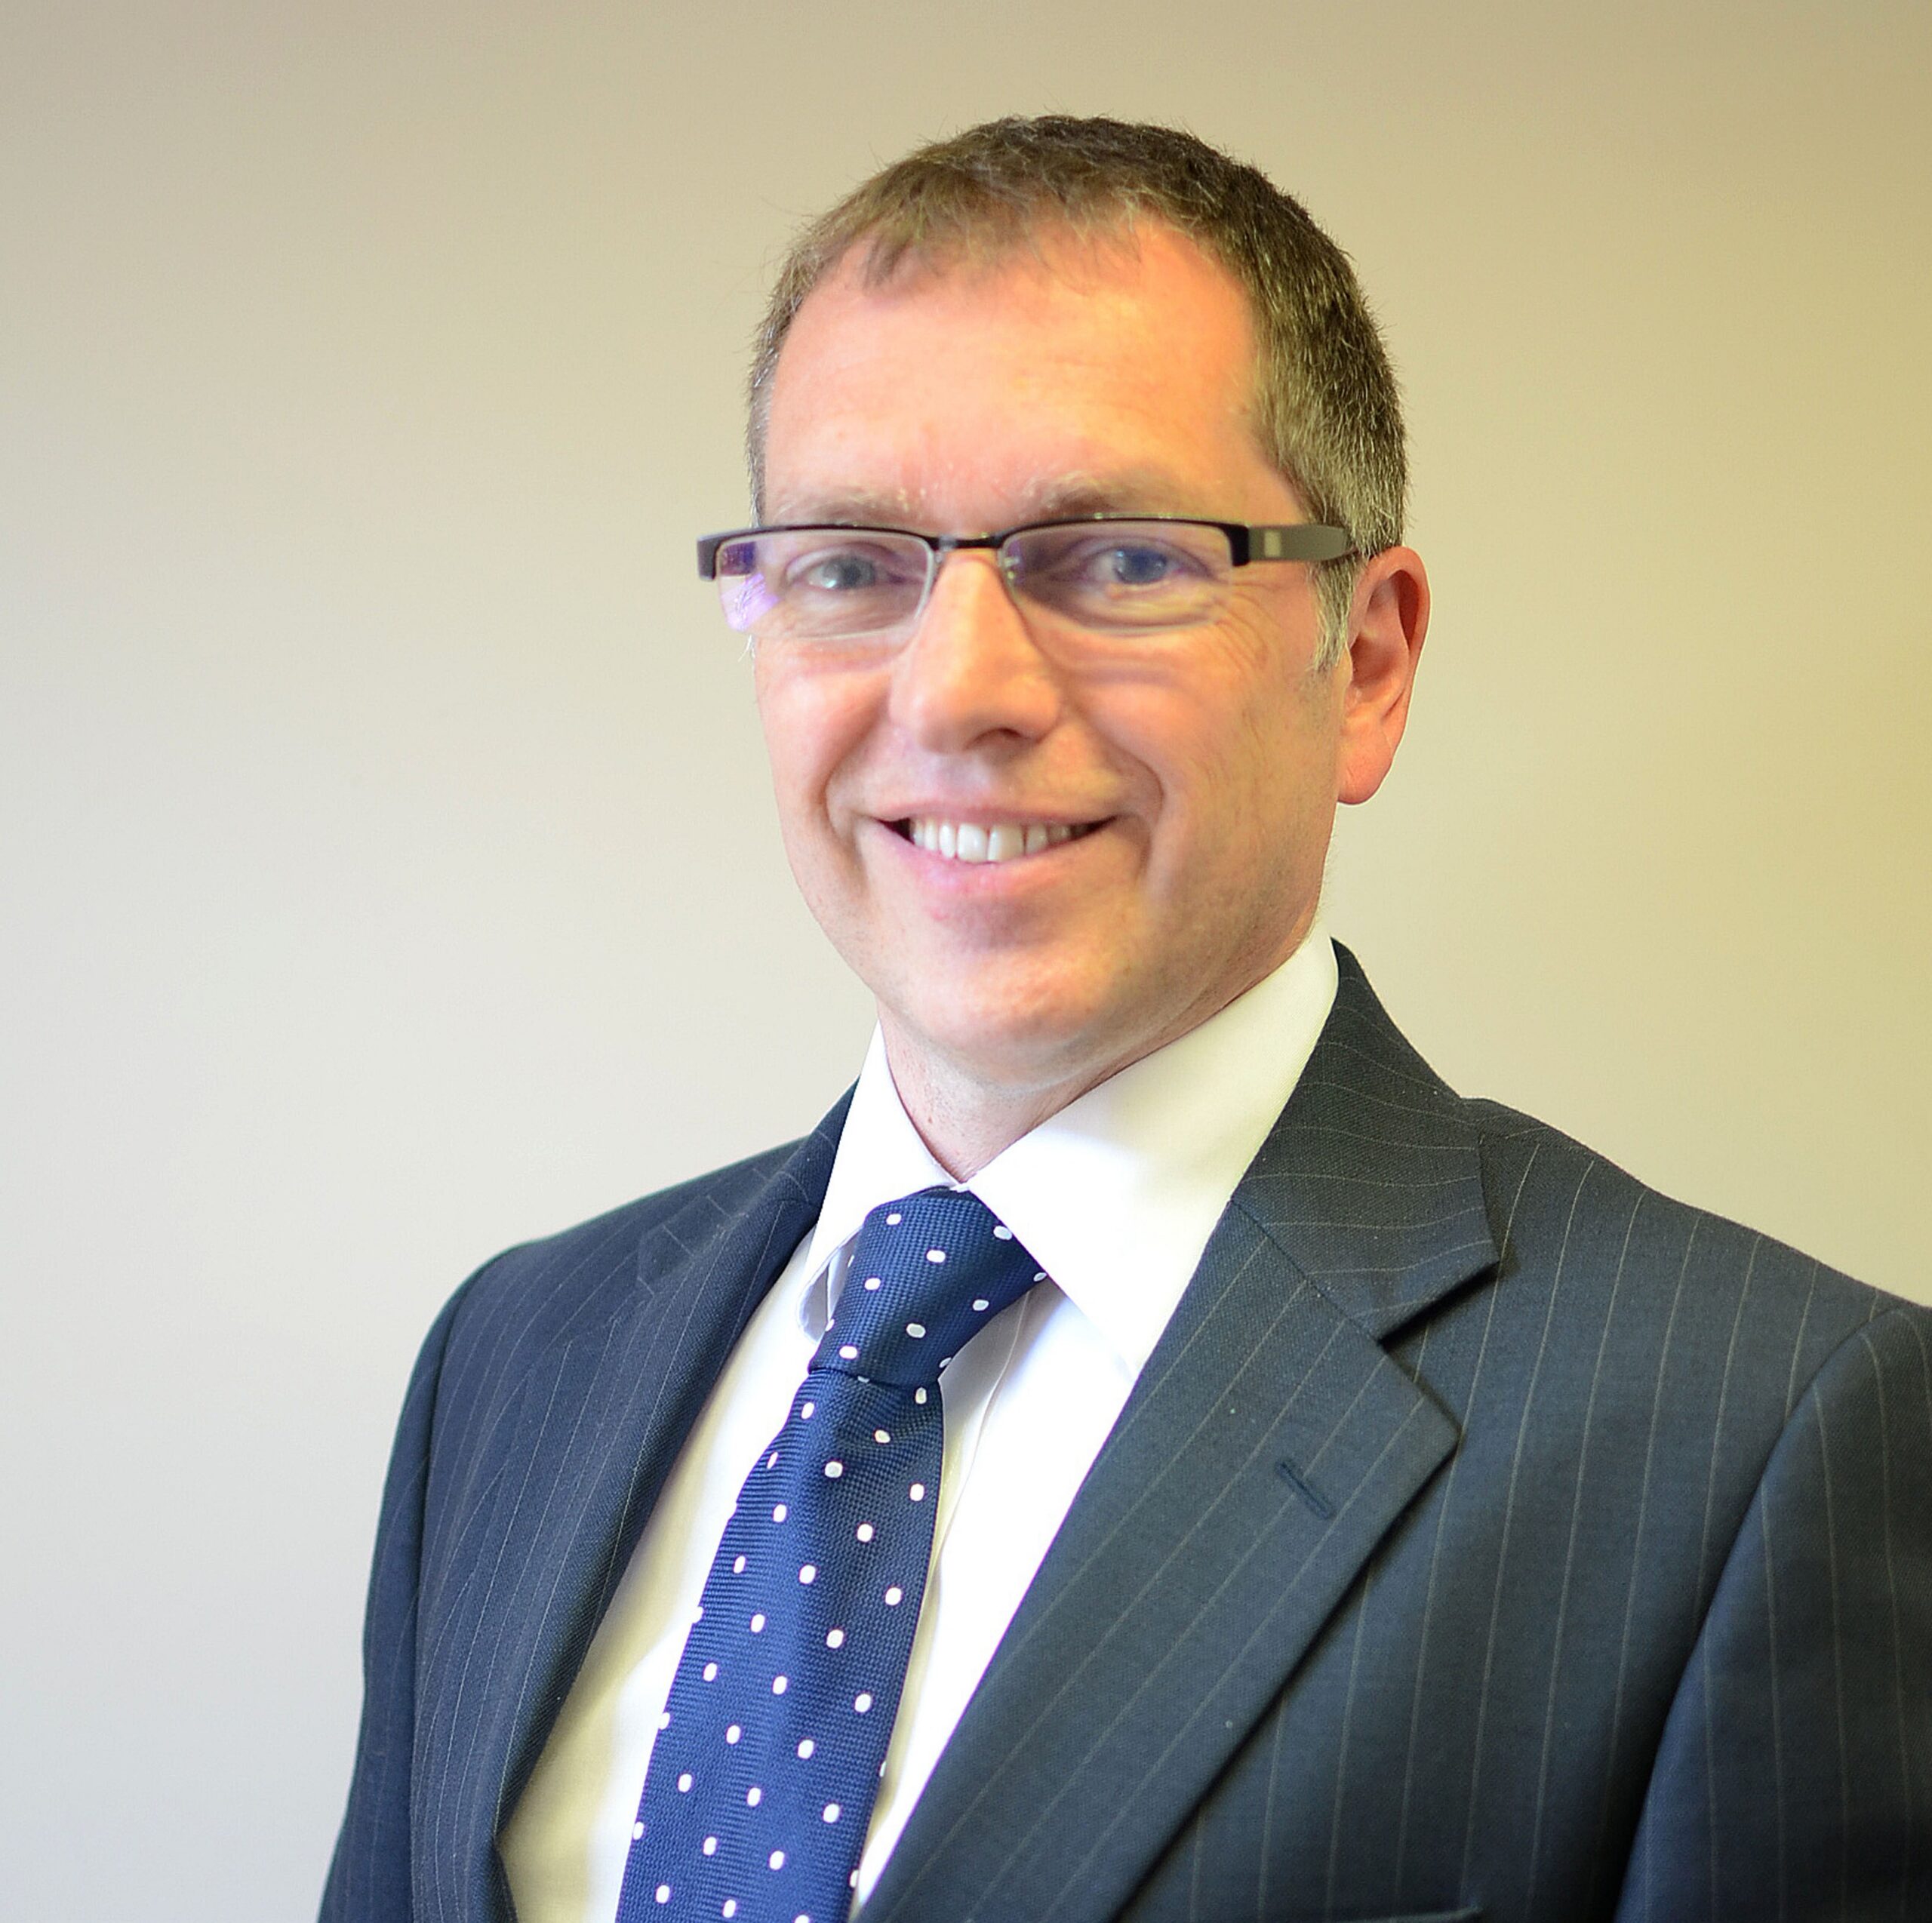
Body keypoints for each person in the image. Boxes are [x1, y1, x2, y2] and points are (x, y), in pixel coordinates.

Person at [321, 116, 1930, 1923]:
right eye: (852, 564)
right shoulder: (514, 1359)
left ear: (1366, 665)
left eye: (1119, 557)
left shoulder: (1762, 1435)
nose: (959, 693)